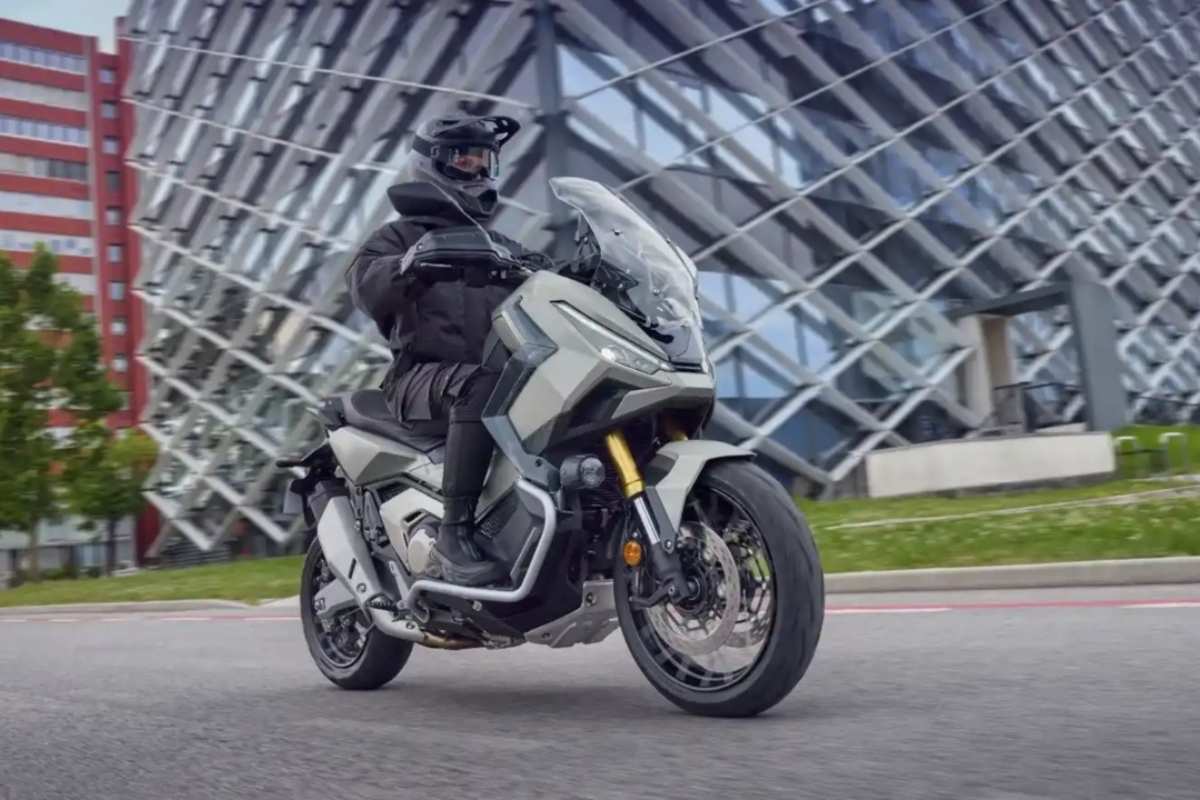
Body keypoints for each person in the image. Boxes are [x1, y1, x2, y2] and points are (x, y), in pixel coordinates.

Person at [346, 114, 535, 587]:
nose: (478, 169)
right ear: (431, 164)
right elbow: (367, 288)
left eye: (484, 160)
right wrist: (413, 262)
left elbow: (550, 277)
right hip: (420, 380)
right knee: (484, 384)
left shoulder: (502, 246)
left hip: (498, 378)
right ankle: (455, 535)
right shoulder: (396, 239)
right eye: (464, 159)